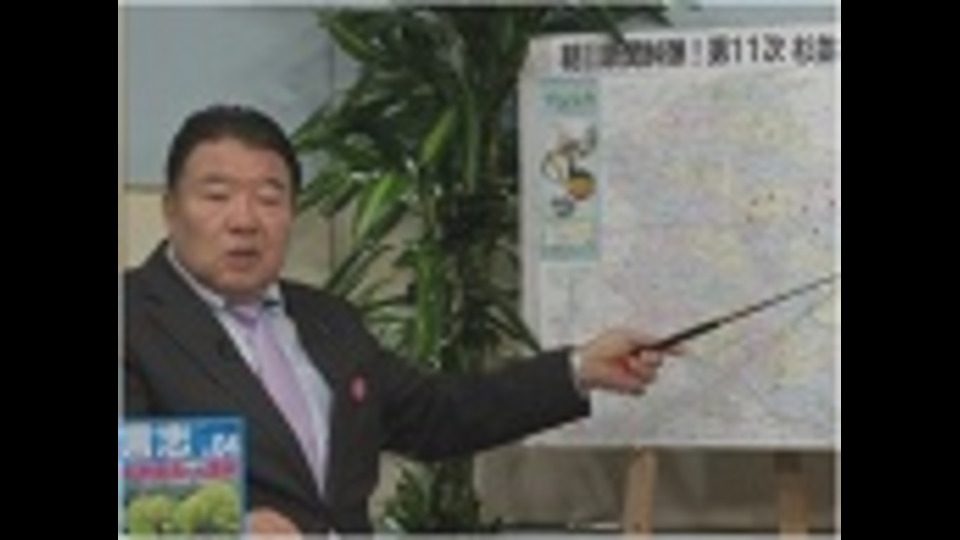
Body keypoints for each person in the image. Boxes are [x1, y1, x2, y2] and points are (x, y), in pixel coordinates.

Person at [122, 104, 672, 535]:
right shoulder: (133, 321)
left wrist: (579, 369)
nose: (244, 220)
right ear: (171, 209)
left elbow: (436, 415)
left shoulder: (328, 321)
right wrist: (224, 527)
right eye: (217, 196)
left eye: (269, 198)